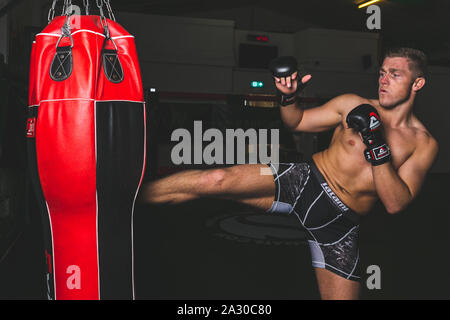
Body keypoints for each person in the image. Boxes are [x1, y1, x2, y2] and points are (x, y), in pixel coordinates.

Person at [138, 48, 438, 300]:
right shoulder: (353, 103)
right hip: (305, 181)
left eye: (395, 74)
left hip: (340, 223)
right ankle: (124, 197)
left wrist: (376, 145)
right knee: (214, 179)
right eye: (382, 73)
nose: (383, 81)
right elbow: (297, 121)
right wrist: (289, 97)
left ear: (418, 83)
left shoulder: (423, 143)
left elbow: (396, 203)